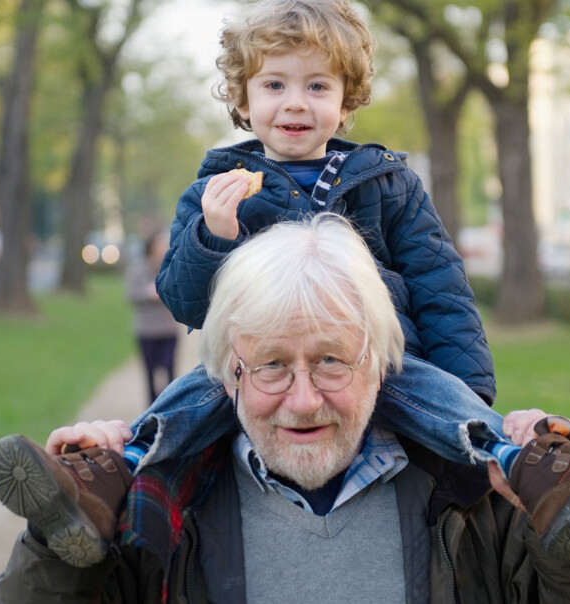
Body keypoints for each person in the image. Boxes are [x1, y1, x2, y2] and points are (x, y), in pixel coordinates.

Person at [0, 215, 570, 602]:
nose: (303, 402)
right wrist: (61, 542)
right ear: (229, 373)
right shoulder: (156, 505)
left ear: (380, 361)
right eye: (274, 365)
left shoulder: (480, 498)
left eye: (332, 360)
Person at [124, 0, 514, 496]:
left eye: (317, 86)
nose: (295, 102)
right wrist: (215, 236)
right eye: (274, 85)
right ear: (243, 101)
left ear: (345, 102)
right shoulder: (215, 193)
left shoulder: (389, 185)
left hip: (375, 364)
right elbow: (186, 304)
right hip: (259, 368)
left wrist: (467, 393)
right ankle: (121, 467)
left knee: (430, 394)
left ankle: (516, 459)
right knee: (193, 395)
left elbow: (442, 292)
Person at [125, 232, 179, 403]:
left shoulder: (171, 267)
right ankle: (151, 408)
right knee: (149, 372)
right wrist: (148, 294)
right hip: (146, 330)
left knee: (169, 369)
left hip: (168, 328)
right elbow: (131, 294)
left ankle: (170, 405)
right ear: (150, 247)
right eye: (159, 244)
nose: (162, 247)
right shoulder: (136, 269)